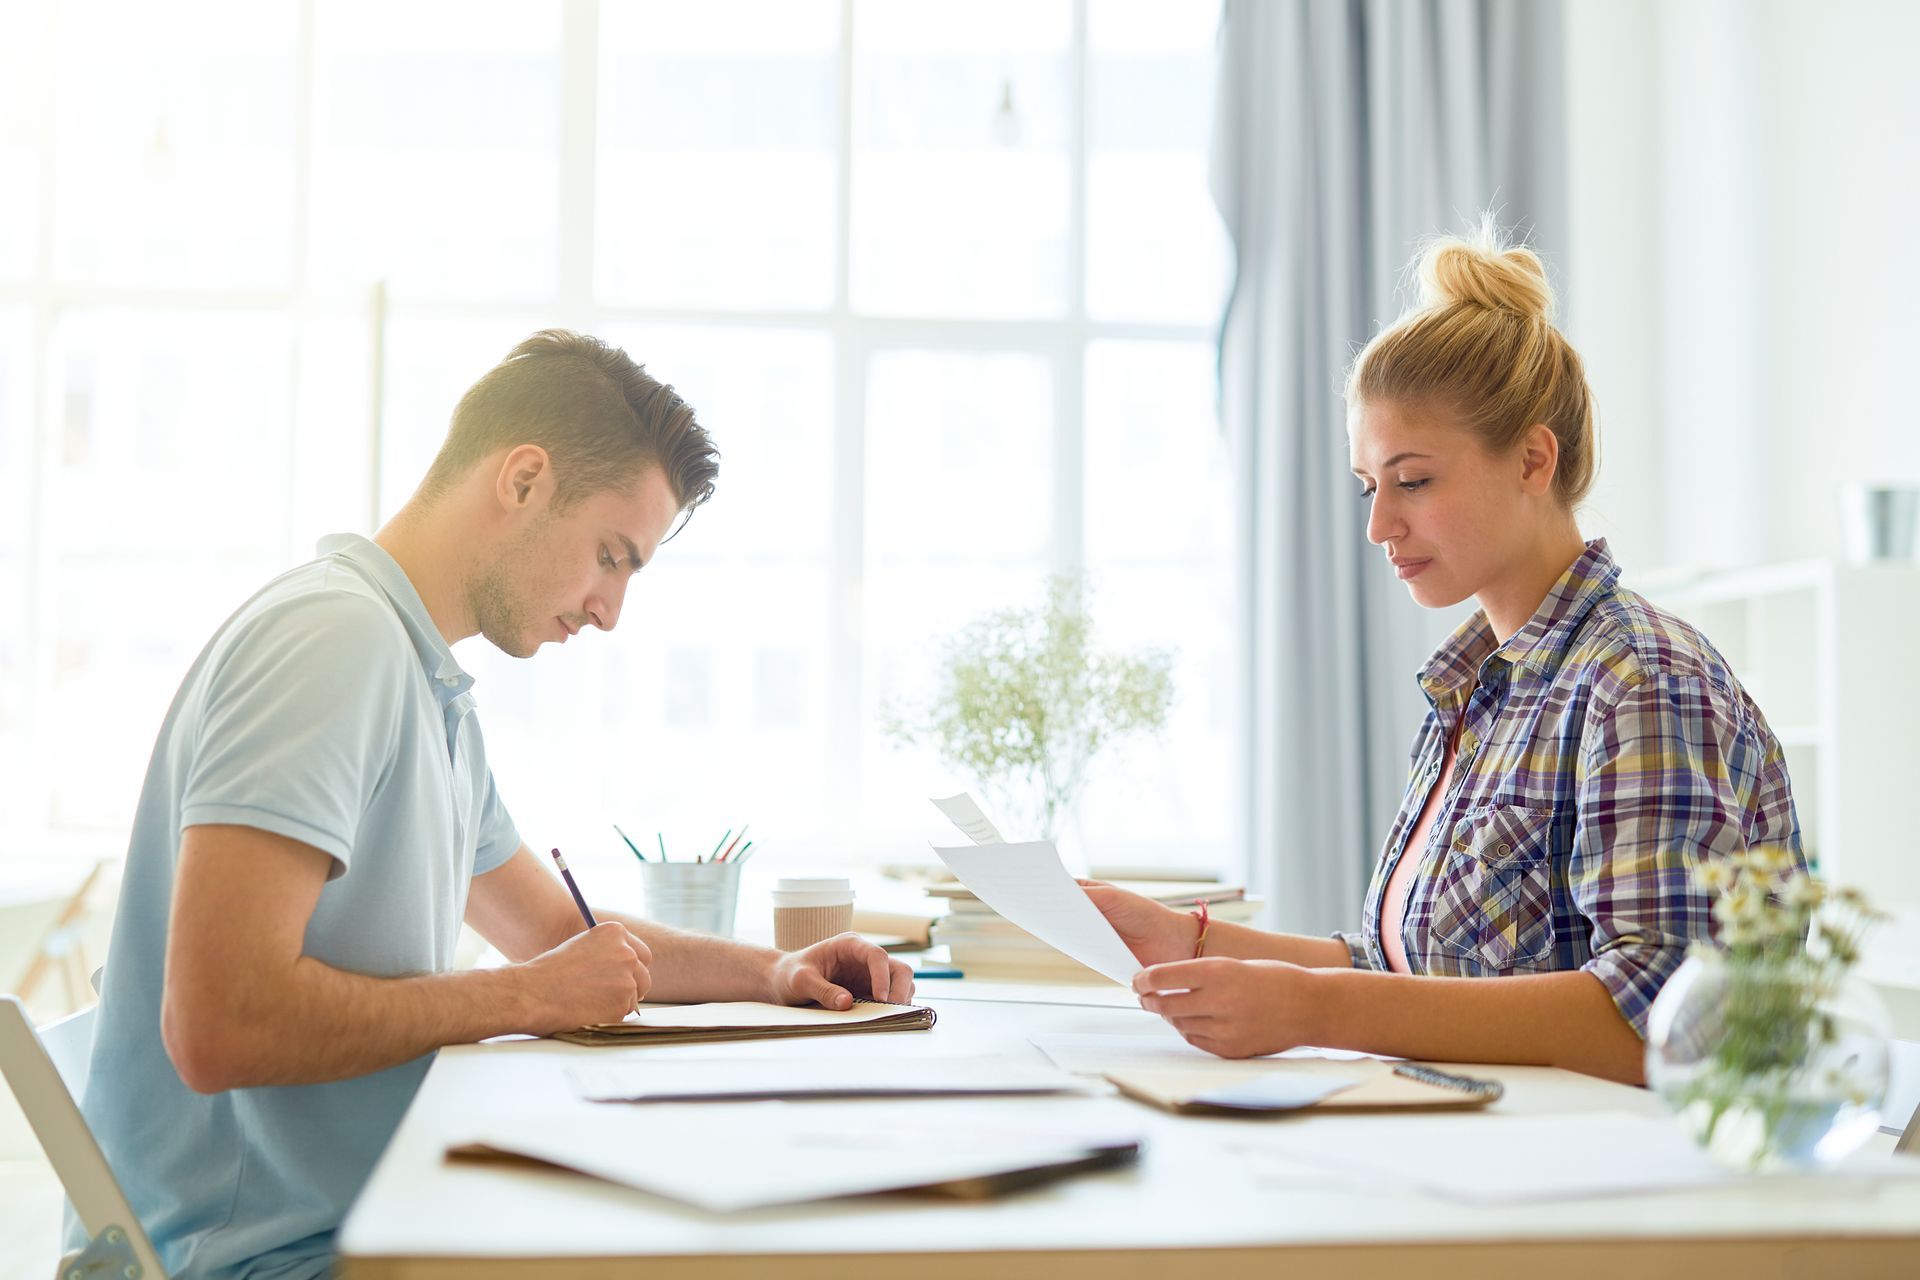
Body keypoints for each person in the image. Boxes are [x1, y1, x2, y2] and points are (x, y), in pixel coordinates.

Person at [75, 330, 913, 1280]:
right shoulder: (332, 645)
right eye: (610, 555)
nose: (610, 611)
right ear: (522, 479)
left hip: (368, 1222)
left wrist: (774, 970)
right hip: (263, 1261)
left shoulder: (423, 686)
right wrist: (522, 997)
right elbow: (218, 1025)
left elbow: (555, 928)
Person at [1085, 227, 1799, 1084]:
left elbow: (1659, 1018)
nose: (1379, 525)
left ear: (1534, 460)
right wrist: (1187, 939)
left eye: (1412, 480)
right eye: (1368, 486)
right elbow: (1421, 977)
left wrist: (1314, 1010)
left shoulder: (1640, 683)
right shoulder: (1481, 691)